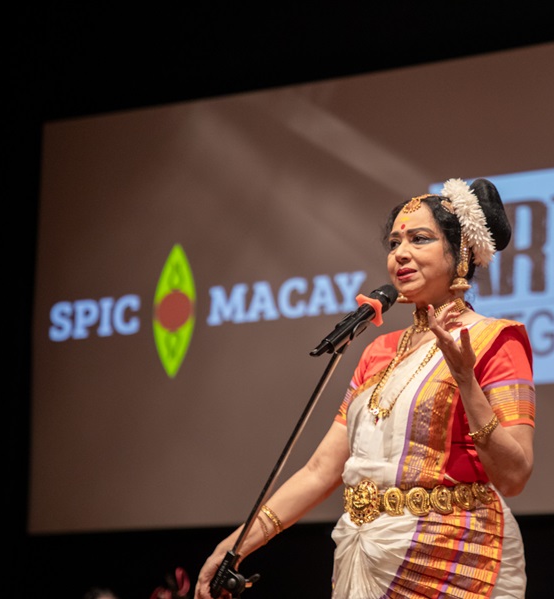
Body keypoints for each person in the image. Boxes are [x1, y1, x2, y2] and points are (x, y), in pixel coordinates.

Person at [195, 178, 536, 599]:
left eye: (420, 239)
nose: (400, 255)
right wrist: (236, 545)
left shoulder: (494, 339)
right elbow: (322, 470)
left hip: (454, 562)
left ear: (460, 253)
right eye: (394, 243)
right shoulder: (379, 350)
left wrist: (466, 380)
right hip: (367, 557)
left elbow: (515, 475)